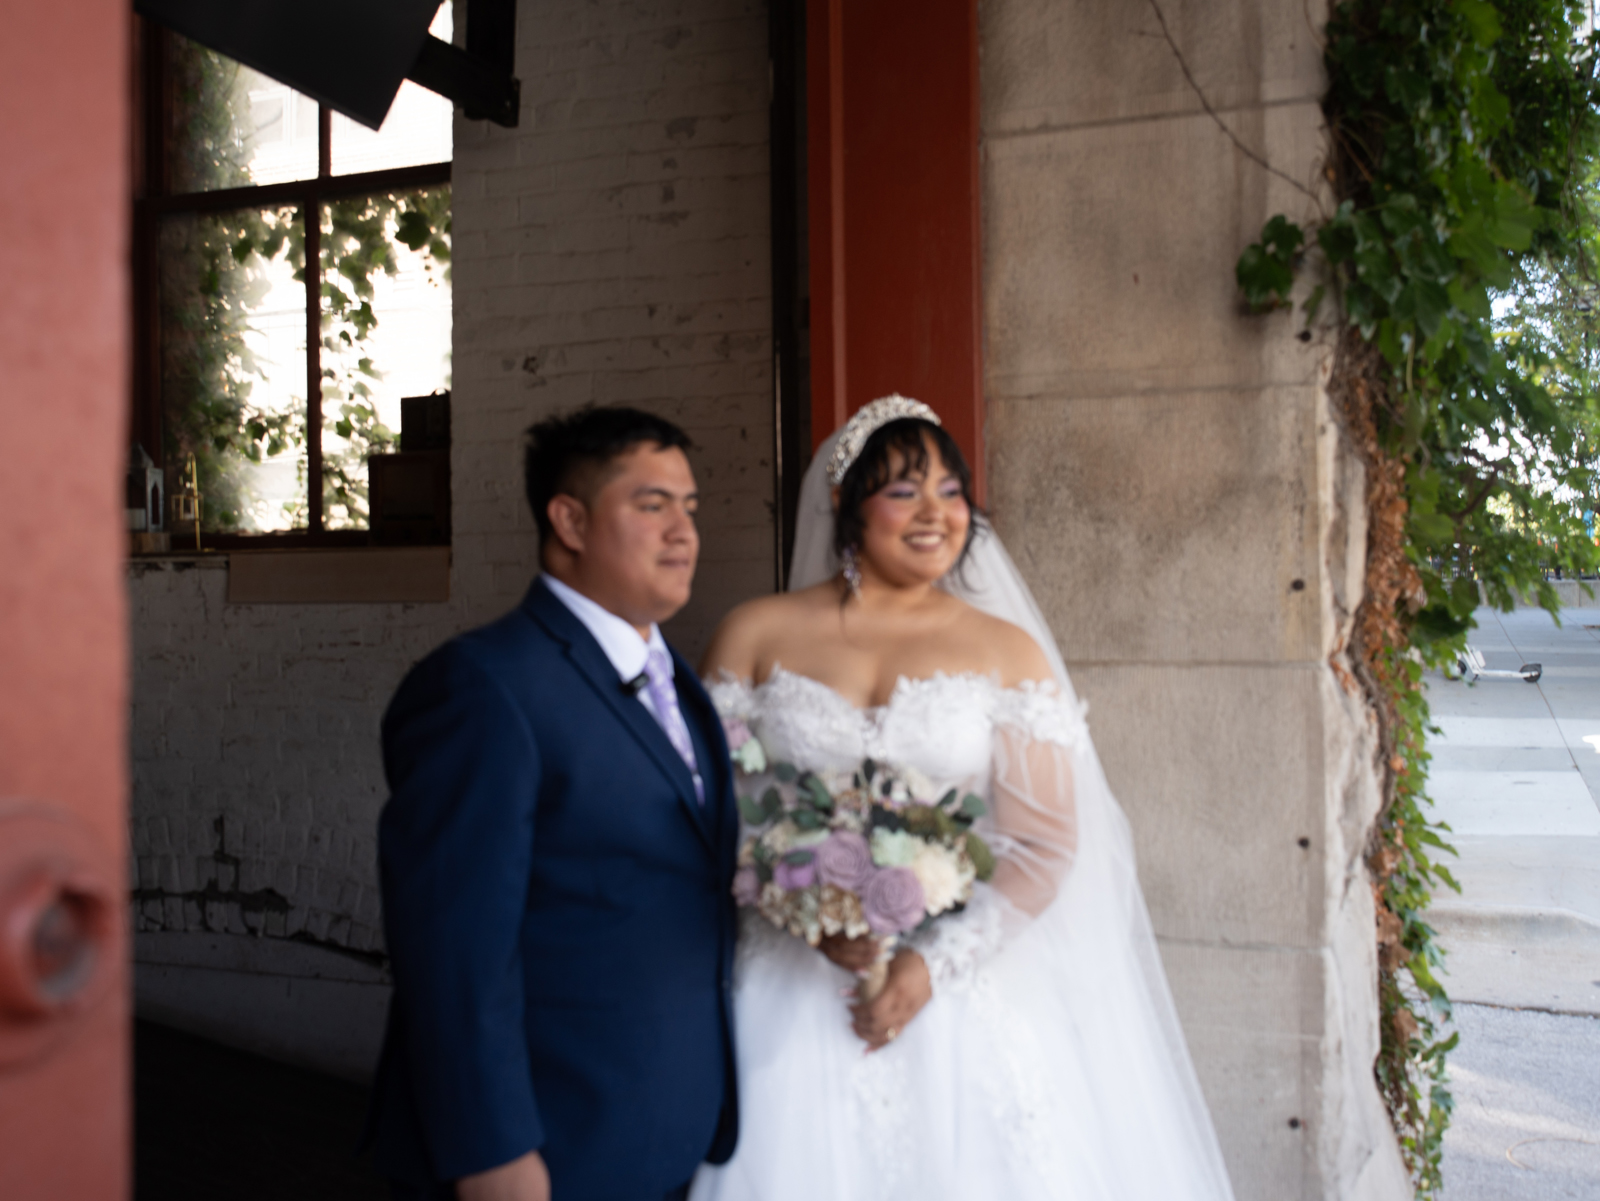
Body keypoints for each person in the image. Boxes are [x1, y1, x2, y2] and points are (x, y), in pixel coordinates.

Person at [690, 395, 1236, 1201]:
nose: (935, 513)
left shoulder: (1007, 652)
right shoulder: (755, 634)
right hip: (789, 980)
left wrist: (929, 964)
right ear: (847, 502)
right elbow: (713, 811)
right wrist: (799, 903)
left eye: (951, 492)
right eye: (904, 490)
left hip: (953, 990)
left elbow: (1044, 846)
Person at [366, 407, 740, 1201]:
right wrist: (492, 1148)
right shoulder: (483, 686)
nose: (684, 531)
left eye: (689, 506)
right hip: (546, 1142)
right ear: (568, 520)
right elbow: (453, 944)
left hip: (662, 1126)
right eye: (652, 504)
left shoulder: (680, 682)